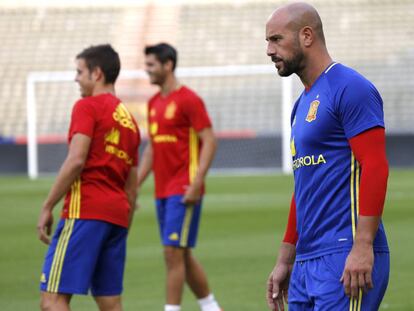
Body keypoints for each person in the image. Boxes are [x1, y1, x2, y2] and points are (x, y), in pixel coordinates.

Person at [265, 3, 389, 311]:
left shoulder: (351, 88)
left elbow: (375, 167)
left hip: (344, 255)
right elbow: (304, 184)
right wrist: (285, 259)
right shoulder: (300, 105)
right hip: (306, 262)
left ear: (307, 36)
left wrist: (362, 246)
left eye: (276, 39)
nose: (268, 50)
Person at [37, 44, 140, 311]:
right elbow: (132, 187)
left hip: (85, 211)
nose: (75, 78)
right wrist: (121, 228)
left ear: (96, 74)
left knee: (53, 300)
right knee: (110, 302)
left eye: (79, 71)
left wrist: (48, 205)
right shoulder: (130, 122)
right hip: (117, 217)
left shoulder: (88, 106)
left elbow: (76, 160)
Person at [137, 43, 222, 311]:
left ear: (168, 65)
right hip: (162, 191)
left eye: (151, 64)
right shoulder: (152, 103)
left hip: (183, 188)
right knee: (181, 253)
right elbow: (152, 147)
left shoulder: (189, 99)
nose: (146, 69)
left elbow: (209, 140)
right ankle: (211, 307)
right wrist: (134, 185)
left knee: (172, 252)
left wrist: (197, 183)